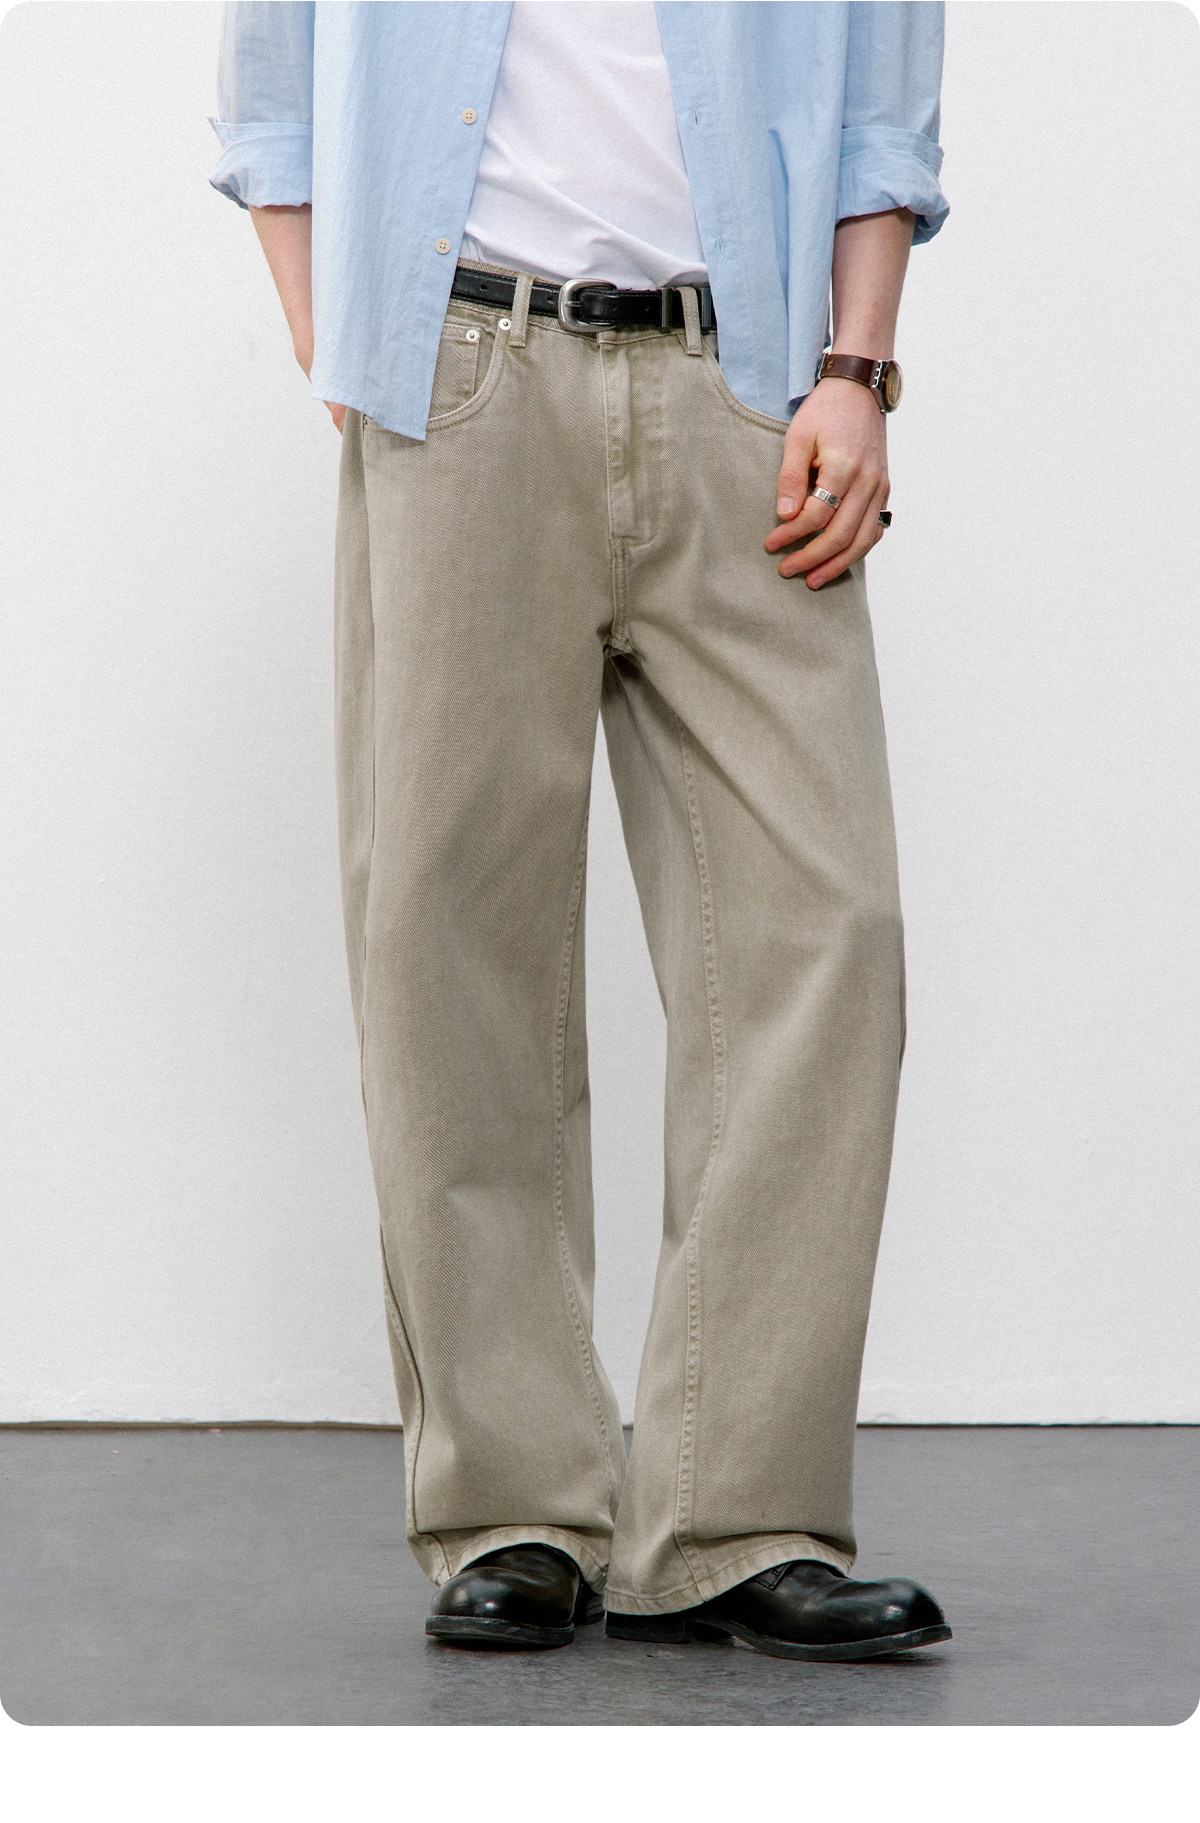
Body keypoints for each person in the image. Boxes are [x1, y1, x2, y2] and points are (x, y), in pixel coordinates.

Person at [210, 0, 952, 1661]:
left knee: (825, 933)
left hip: (752, 384)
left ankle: (739, 1517)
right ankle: (515, 1508)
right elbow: (270, 102)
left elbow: (883, 116)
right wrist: (350, 344)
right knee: (447, 939)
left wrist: (855, 373)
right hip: (461, 375)